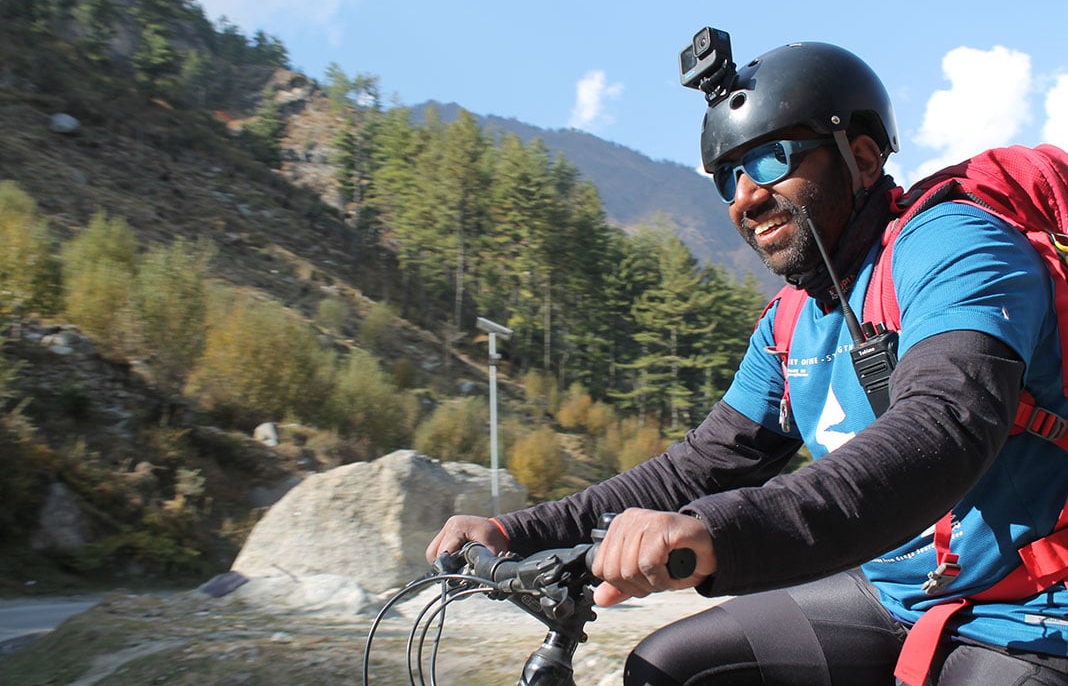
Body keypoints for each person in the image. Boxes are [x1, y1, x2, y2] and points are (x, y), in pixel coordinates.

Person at [426, 36, 1068, 686]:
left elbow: (944, 427)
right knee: (668, 668)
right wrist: (514, 530)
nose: (746, 196)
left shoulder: (954, 242)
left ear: (864, 157)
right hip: (895, 597)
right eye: (729, 174)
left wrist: (717, 534)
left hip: (1038, 616)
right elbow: (699, 467)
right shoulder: (791, 322)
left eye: (770, 159)